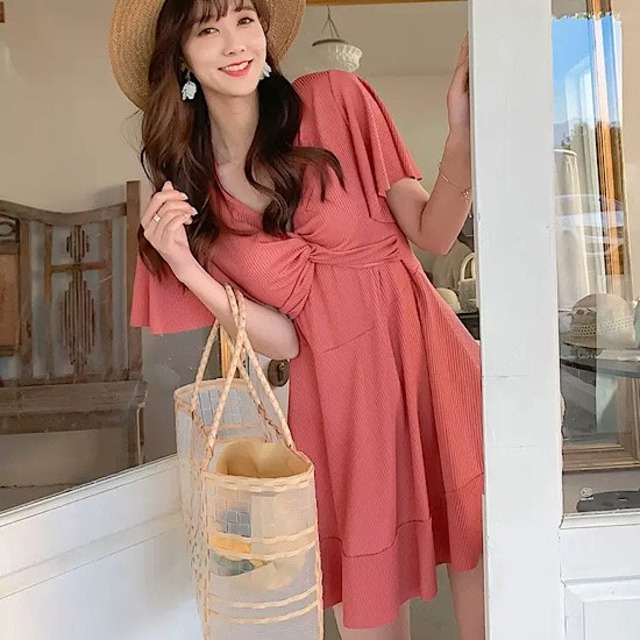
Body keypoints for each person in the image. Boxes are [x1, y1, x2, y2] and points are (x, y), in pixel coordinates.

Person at [109, 0, 484, 637]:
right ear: (182, 58)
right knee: (369, 614)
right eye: (208, 29)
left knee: (494, 599)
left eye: (244, 20)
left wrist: (460, 137)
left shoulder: (336, 98)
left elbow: (434, 232)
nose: (235, 42)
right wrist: (187, 267)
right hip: (339, 411)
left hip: (432, 368)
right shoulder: (198, 199)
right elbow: (287, 339)